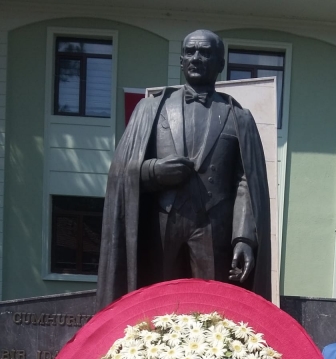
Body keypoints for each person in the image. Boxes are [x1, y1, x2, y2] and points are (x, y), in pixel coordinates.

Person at [96, 29, 271, 311]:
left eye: (205, 53)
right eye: (190, 51)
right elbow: (120, 172)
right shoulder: (150, 109)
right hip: (161, 226)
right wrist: (154, 171)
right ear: (181, 60)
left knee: (212, 312)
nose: (196, 58)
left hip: (214, 228)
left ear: (220, 63)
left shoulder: (239, 118)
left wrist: (244, 238)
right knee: (155, 309)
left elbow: (246, 182)